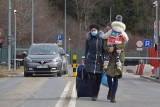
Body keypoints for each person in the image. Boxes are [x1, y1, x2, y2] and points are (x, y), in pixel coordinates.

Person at [102, 15, 129, 103]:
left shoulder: (123, 34)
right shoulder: (109, 33)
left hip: (119, 56)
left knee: (116, 77)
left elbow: (125, 42)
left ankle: (113, 96)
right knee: (109, 77)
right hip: (110, 58)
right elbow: (104, 46)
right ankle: (110, 89)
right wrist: (108, 48)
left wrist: (117, 47)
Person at [85, 24, 104, 101]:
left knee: (98, 79)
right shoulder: (88, 39)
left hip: (99, 60)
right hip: (90, 59)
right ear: (90, 31)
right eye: (92, 30)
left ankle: (96, 93)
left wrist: (105, 59)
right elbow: (86, 49)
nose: (93, 31)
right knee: (92, 78)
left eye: (94, 30)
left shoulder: (101, 38)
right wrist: (85, 59)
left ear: (97, 30)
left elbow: (104, 49)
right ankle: (93, 94)